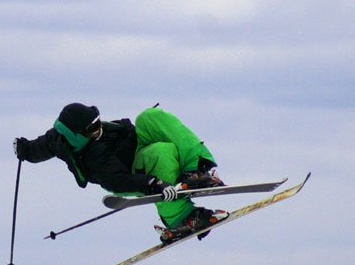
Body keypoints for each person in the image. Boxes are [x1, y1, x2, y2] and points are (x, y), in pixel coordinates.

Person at [13, 103, 229, 243]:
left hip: (135, 143)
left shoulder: (81, 132)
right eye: (91, 129)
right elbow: (117, 182)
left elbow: (36, 148)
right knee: (161, 152)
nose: (98, 130)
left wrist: (24, 149)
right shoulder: (90, 160)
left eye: (98, 122)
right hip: (132, 174)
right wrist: (151, 183)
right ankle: (179, 217)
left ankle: (197, 169)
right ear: (75, 135)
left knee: (150, 116)